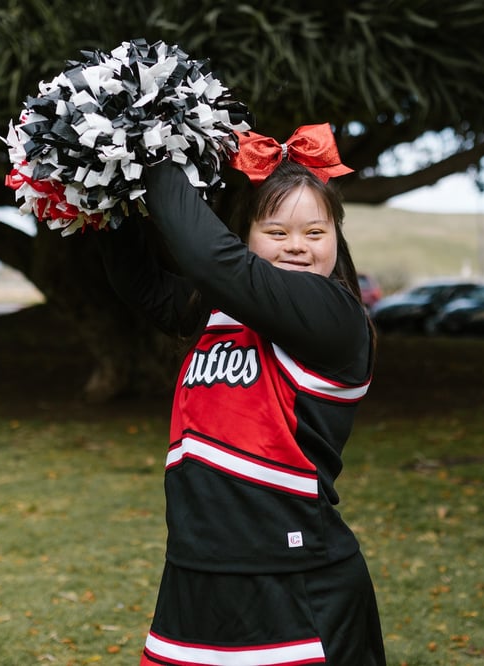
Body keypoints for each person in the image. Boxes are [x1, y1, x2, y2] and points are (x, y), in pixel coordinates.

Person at [98, 123, 386, 665]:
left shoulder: (335, 315)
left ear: (337, 239)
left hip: (295, 581)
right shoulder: (218, 311)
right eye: (276, 232)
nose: (297, 247)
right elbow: (137, 281)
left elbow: (210, 259)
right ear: (250, 236)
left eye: (315, 233)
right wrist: (110, 179)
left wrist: (147, 138)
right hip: (193, 571)